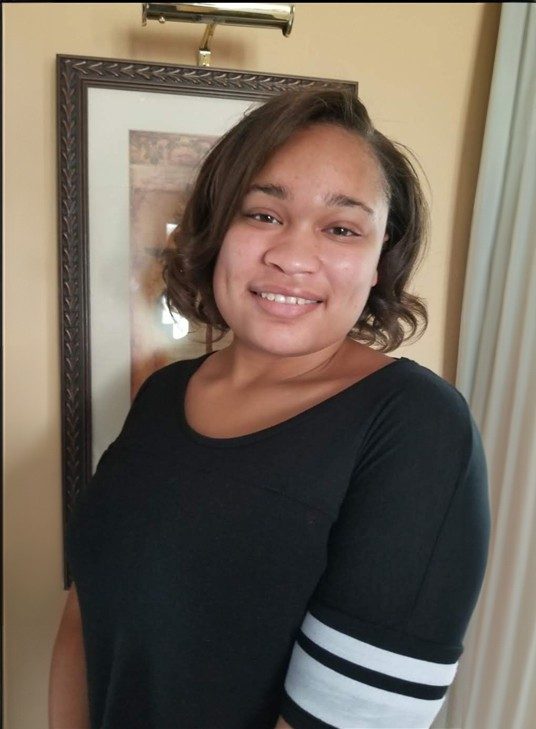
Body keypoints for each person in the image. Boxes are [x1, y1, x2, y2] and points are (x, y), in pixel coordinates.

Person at [49, 89, 490, 729]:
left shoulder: (415, 427)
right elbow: (86, 609)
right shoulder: (164, 394)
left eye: (340, 228)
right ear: (216, 227)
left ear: (377, 259)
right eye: (262, 215)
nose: (291, 257)